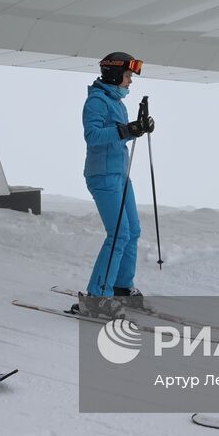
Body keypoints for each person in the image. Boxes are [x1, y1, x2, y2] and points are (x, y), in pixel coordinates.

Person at [71, 52, 156, 317]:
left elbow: (118, 137)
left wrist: (138, 129)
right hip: (103, 176)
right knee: (118, 233)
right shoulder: (97, 100)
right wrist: (126, 130)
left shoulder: (116, 101)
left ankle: (120, 286)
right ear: (114, 74)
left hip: (120, 174)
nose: (130, 81)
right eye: (128, 75)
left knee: (133, 231)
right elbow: (93, 136)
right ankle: (97, 296)